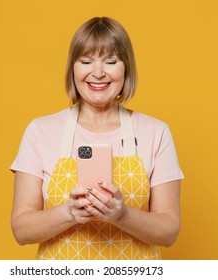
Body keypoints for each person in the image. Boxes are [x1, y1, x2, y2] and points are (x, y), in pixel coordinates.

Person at [10, 17, 184, 260]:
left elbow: (169, 232)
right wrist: (68, 212)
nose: (99, 73)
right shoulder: (40, 131)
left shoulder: (156, 133)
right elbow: (21, 231)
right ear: (73, 68)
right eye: (86, 61)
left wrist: (122, 215)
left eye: (111, 62)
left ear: (126, 68)